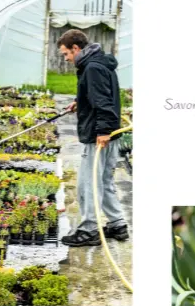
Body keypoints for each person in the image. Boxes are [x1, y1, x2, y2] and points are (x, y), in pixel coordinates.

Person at [56, 29, 129, 247]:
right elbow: (99, 93)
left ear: (75, 48)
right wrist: (80, 101)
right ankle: (117, 224)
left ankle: (89, 229)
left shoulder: (93, 68)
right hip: (111, 132)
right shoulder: (97, 63)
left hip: (101, 135)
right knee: (104, 181)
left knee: (88, 183)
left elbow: (103, 101)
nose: (66, 59)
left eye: (66, 54)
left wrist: (103, 130)